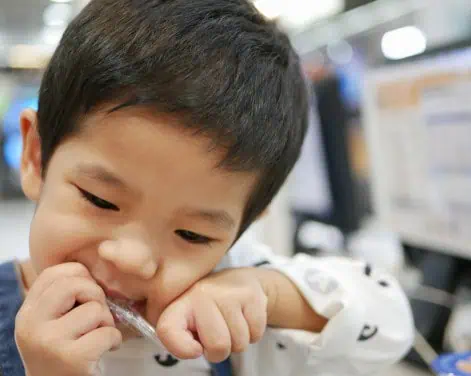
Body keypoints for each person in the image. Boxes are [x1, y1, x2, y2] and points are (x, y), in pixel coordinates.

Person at [0, 0, 414, 375]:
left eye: (192, 235)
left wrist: (266, 294)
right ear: (36, 156)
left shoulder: (229, 288)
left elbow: (391, 322)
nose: (132, 259)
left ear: (243, 225)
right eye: (101, 200)